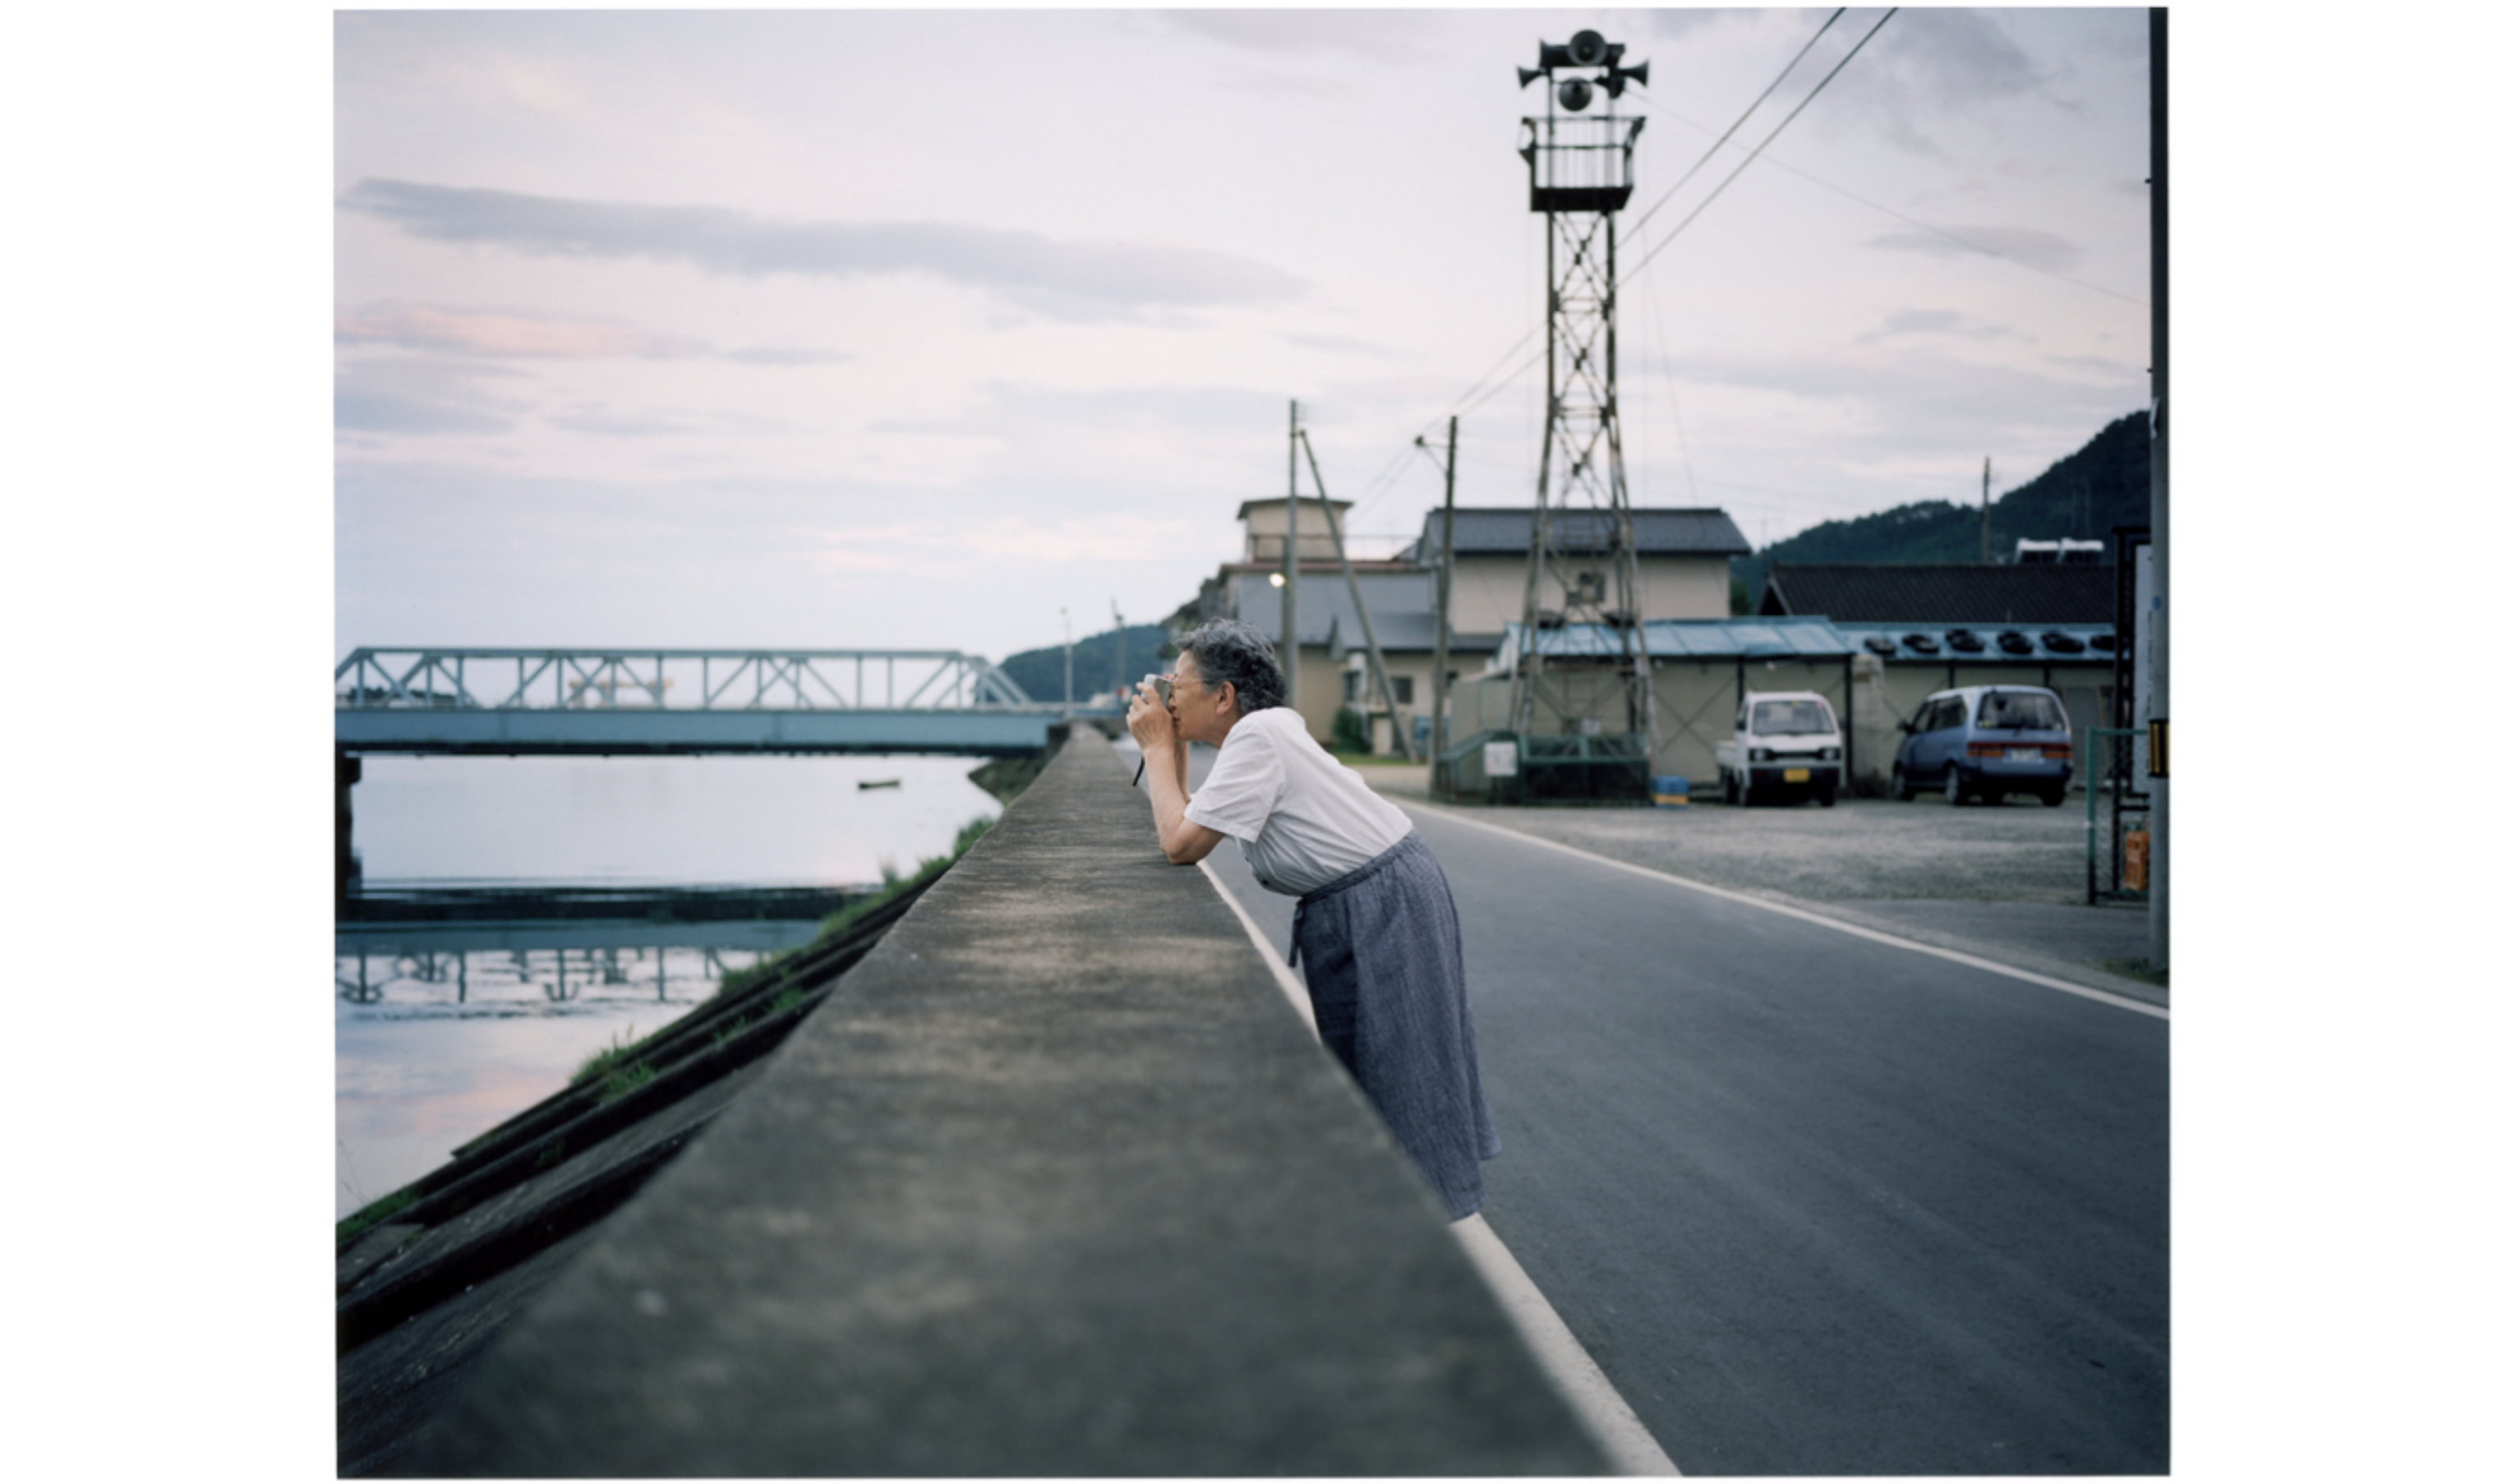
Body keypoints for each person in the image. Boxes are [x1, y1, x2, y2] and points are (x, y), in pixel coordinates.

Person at [1126, 618, 1500, 1221]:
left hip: (1380, 901)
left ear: (1223, 696)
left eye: (1179, 683)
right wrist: (1169, 750)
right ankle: (1393, 1221)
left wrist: (1151, 750)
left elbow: (1180, 843)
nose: (1170, 695)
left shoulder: (1258, 738)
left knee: (1398, 1069)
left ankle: (1414, 1228)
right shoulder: (1259, 735)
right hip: (1370, 896)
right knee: (1368, 1071)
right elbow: (1193, 819)